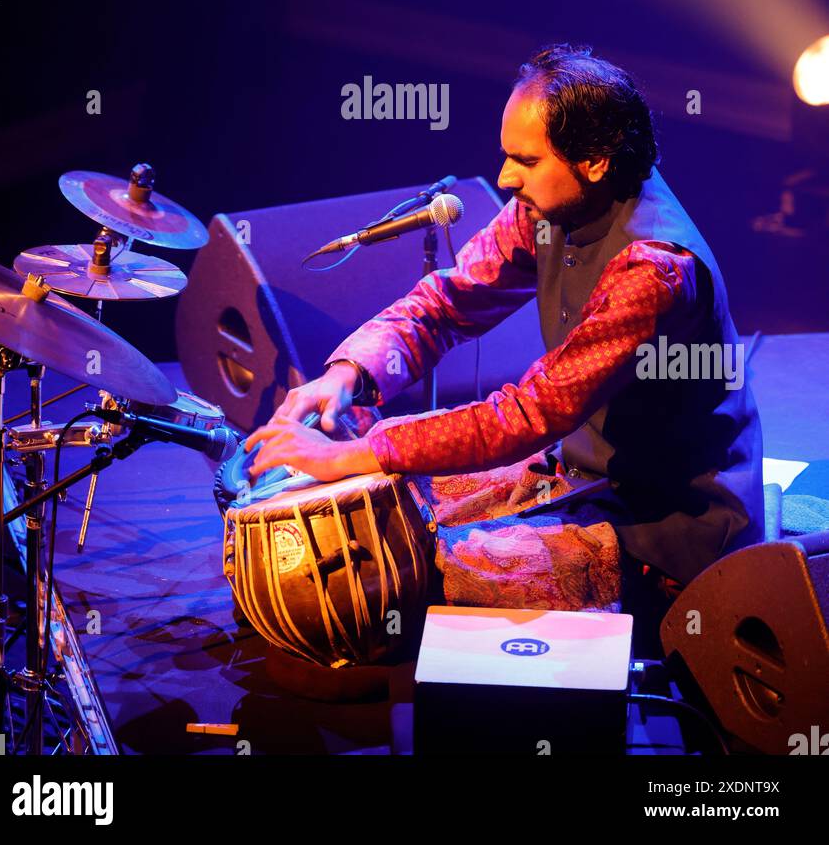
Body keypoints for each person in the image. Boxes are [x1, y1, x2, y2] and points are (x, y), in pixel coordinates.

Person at [245, 42, 765, 589]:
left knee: (434, 570)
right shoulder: (546, 210)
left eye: (527, 160)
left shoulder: (654, 270)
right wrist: (348, 374)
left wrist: (351, 456)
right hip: (584, 473)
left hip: (671, 522)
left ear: (594, 161)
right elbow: (449, 302)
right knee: (399, 494)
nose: (505, 178)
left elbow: (526, 416)